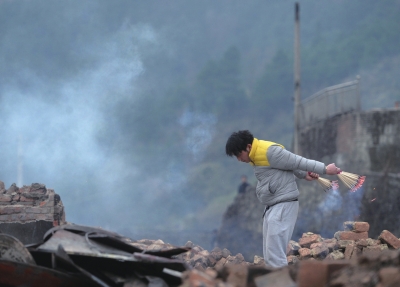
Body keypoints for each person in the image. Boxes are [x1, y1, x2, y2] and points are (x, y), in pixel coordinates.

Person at [225, 130, 341, 268]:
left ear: (248, 147)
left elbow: (296, 160)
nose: (239, 159)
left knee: (275, 256)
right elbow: (287, 165)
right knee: (269, 255)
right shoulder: (255, 156)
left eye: (239, 154)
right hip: (272, 206)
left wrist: (325, 169)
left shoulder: (269, 151)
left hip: (283, 205)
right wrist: (303, 174)